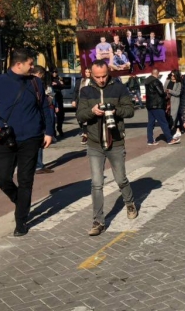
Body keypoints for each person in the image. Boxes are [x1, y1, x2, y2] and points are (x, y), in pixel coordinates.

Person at [0, 48, 54, 237]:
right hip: (5, 139)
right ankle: (20, 201)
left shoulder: (36, 82)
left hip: (31, 138)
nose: (33, 66)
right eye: (30, 63)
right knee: (2, 179)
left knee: (26, 180)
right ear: (19, 64)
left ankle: (21, 221)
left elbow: (45, 108)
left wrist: (49, 132)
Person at [77, 59, 138, 235]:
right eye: (97, 77)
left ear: (108, 72)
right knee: (96, 183)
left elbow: (130, 110)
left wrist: (114, 110)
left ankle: (129, 203)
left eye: (104, 76)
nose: (101, 80)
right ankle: (98, 221)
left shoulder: (119, 88)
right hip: (95, 143)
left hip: (116, 141)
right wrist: (92, 111)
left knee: (121, 179)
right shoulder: (86, 91)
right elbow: (80, 115)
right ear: (91, 74)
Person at [31, 66, 55, 174]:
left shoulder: (32, 82)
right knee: (38, 141)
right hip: (36, 117)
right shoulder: (35, 83)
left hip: (36, 116)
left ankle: (37, 164)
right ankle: (38, 165)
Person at [144, 69, 179, 146]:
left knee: (150, 123)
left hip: (149, 105)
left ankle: (150, 140)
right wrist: (165, 94)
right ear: (158, 74)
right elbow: (160, 92)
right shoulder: (156, 81)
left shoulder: (147, 81)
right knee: (164, 123)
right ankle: (170, 139)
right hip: (157, 105)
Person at [73, 68, 92, 144]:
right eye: (86, 72)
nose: (87, 73)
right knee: (79, 117)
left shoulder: (93, 81)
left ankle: (86, 135)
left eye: (89, 72)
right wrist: (74, 100)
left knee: (86, 118)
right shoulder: (80, 81)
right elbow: (75, 91)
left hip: (89, 102)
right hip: (80, 101)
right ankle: (84, 131)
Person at [50, 69, 65, 139]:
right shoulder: (49, 78)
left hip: (59, 97)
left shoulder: (59, 78)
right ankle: (53, 132)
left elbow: (62, 85)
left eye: (56, 72)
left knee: (61, 115)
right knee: (51, 117)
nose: (54, 73)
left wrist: (57, 84)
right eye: (53, 72)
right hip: (52, 98)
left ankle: (59, 128)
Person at [167, 71, 182, 137]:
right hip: (167, 101)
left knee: (174, 116)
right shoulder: (167, 81)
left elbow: (178, 93)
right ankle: (171, 130)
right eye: (171, 75)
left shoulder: (179, 83)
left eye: (173, 75)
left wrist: (170, 91)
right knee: (167, 115)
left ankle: (175, 130)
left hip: (175, 101)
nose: (172, 76)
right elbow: (164, 89)